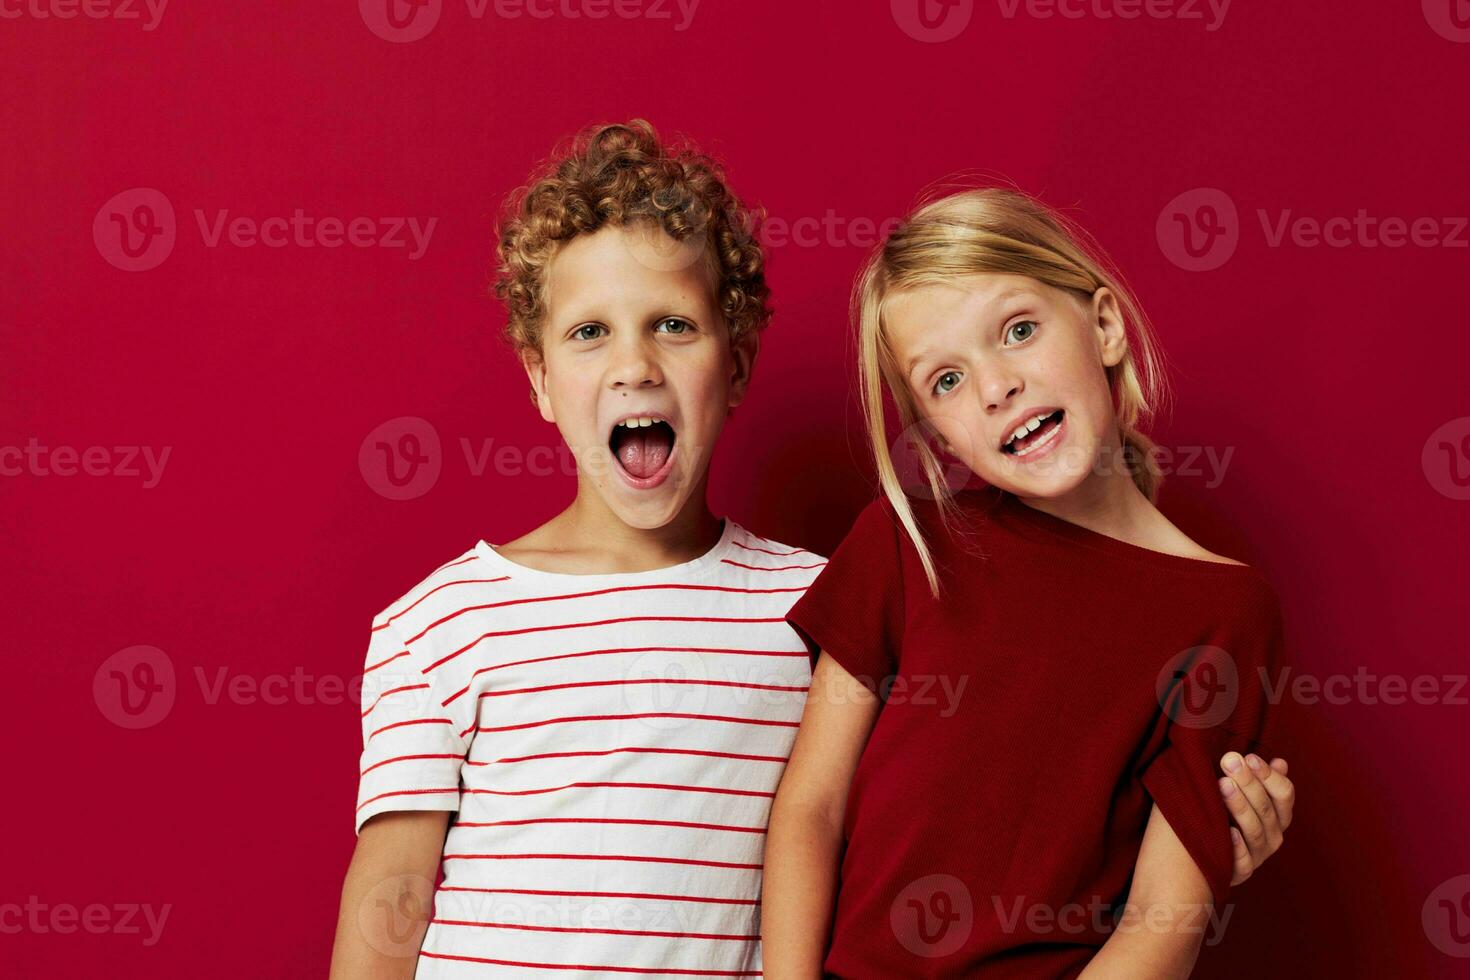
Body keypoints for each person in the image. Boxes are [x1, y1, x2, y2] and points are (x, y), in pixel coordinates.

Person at [763, 186, 1297, 978]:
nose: (994, 386)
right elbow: (812, 811)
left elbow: (1163, 923)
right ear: (931, 430)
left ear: (1106, 326)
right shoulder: (906, 545)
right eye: (945, 380)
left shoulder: (1225, 611)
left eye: (1017, 331)